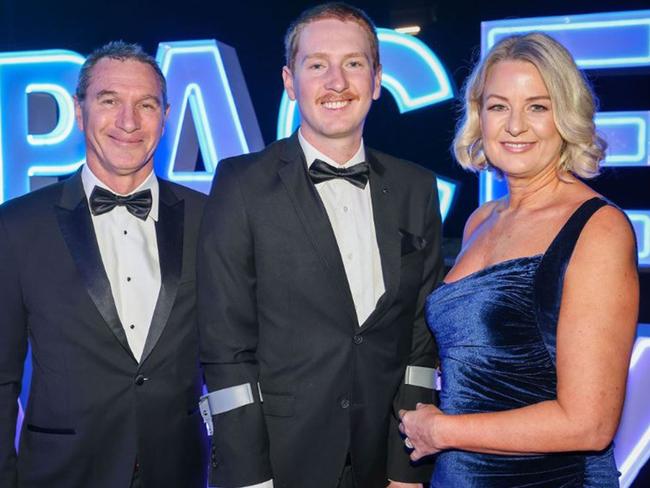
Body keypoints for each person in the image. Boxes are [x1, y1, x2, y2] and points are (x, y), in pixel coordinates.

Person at [197, 3, 443, 487]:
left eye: (353, 63)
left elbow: (420, 338)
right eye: (317, 65)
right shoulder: (240, 183)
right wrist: (251, 478)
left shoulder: (417, 187)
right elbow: (226, 347)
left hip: (382, 462)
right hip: (278, 464)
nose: (337, 81)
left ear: (376, 80)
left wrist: (407, 468)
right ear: (290, 82)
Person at [398, 32, 639, 487]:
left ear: (565, 116)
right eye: (498, 106)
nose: (515, 126)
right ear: (479, 116)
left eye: (537, 106)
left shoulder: (598, 228)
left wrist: (441, 429)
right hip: (457, 475)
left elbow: (588, 423)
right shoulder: (480, 220)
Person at [0, 41, 208, 488]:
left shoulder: (210, 218)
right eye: (109, 101)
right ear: (79, 112)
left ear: (166, 116)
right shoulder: (16, 226)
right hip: (61, 474)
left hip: (181, 471)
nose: (128, 121)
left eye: (146, 104)